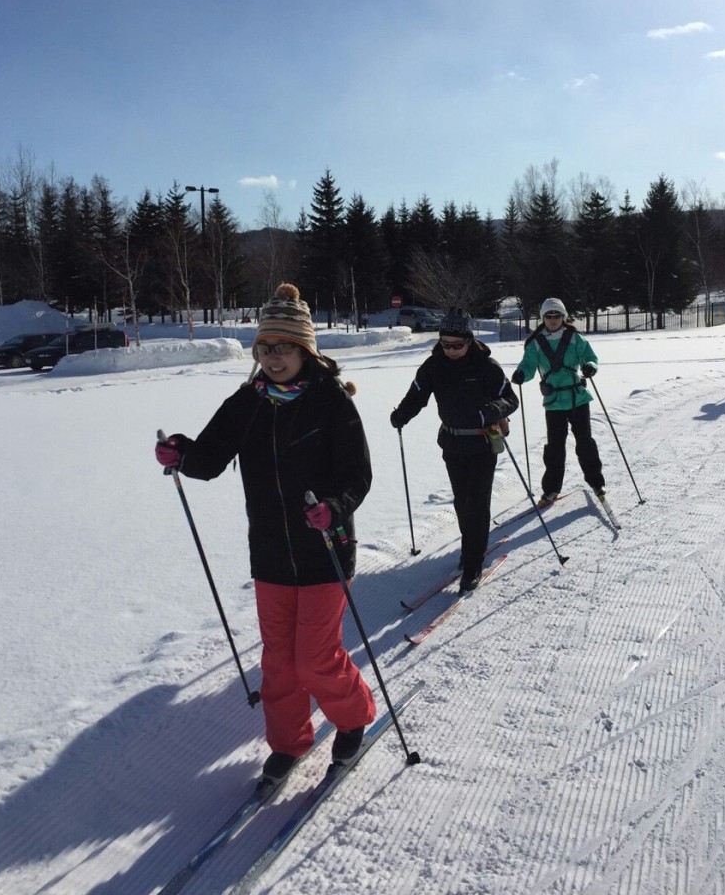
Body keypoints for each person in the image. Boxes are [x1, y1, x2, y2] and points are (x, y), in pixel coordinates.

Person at [155, 283, 376, 787]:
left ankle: (354, 714)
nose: (274, 358)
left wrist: (334, 509)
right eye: (265, 348)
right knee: (278, 662)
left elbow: (357, 476)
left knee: (315, 658)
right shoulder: (247, 403)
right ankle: (290, 741)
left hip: (325, 550)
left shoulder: (332, 404)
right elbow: (210, 458)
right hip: (271, 555)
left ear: (305, 350)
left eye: (284, 348)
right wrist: (181, 455)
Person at [389, 308, 519, 593]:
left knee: (476, 502)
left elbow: (511, 399)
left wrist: (491, 411)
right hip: (452, 442)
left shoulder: (486, 366)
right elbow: (417, 395)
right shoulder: (434, 365)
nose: (450, 350)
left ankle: (473, 562)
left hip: (483, 443)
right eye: (445, 344)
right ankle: (469, 547)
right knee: (462, 501)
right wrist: (401, 415)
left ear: (469, 340)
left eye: (456, 345)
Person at [511, 297, 605, 506]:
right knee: (555, 447)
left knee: (585, 442)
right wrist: (521, 374)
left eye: (557, 316)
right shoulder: (536, 344)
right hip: (554, 402)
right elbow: (528, 365)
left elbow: (589, 356)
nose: (553, 320)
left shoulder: (574, 338)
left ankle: (596, 482)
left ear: (563, 317)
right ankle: (551, 488)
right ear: (542, 318)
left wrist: (589, 366)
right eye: (548, 316)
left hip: (577, 398)